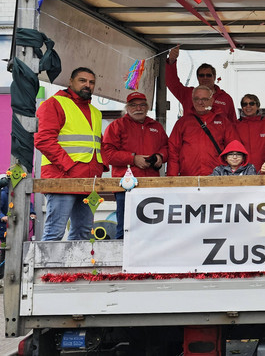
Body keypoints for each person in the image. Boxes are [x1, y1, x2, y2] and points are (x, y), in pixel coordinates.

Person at [34, 67, 105, 241]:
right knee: (55, 232)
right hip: (62, 178)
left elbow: (97, 145)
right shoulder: (53, 104)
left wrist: (99, 170)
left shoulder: (95, 111)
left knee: (83, 231)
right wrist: (70, 166)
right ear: (70, 82)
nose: (87, 85)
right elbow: (43, 140)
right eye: (82, 80)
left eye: (91, 82)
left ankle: (72, 270)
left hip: (89, 180)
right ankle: (46, 269)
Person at [102, 92, 169, 239]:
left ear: (147, 107)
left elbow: (167, 148)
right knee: (125, 228)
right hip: (125, 187)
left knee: (151, 229)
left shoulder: (156, 126)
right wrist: (133, 159)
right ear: (127, 108)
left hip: (151, 185)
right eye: (133, 105)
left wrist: (160, 157)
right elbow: (107, 154)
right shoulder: (116, 126)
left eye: (142, 104)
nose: (138, 108)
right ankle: (122, 260)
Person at [167, 85, 240, 176]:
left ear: (211, 100)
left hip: (217, 178)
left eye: (204, 99)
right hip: (189, 177)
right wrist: (172, 178)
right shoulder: (183, 122)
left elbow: (235, 148)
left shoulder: (223, 122)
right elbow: (173, 151)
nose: (200, 102)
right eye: (196, 99)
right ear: (192, 100)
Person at [166, 45, 237, 122]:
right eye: (202, 75)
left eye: (208, 75)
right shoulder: (188, 94)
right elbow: (172, 83)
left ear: (214, 77)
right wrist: (171, 61)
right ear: (197, 77)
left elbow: (233, 124)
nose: (205, 78)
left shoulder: (226, 99)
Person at [236, 94, 265, 172]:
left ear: (258, 106)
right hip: (241, 170)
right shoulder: (235, 125)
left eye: (251, 103)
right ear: (242, 108)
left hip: (264, 169)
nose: (248, 106)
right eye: (245, 104)